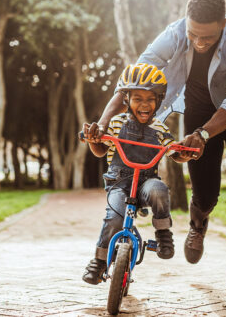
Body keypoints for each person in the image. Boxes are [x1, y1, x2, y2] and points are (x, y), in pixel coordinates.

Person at [86, 0, 226, 297]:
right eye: (193, 34)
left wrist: (204, 135)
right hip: (199, 109)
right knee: (206, 193)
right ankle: (198, 222)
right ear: (186, 22)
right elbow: (134, 80)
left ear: (224, 23)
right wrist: (103, 122)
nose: (199, 42)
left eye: (208, 38)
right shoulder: (174, 33)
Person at [81, 63, 191, 285]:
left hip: (146, 183)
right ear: (127, 100)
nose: (144, 104)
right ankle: (99, 261)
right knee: (114, 217)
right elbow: (101, 150)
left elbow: (173, 152)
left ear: (159, 101)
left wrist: (185, 153)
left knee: (159, 190)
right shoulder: (115, 123)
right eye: (137, 98)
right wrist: (94, 141)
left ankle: (163, 234)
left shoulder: (160, 129)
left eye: (150, 99)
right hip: (119, 184)